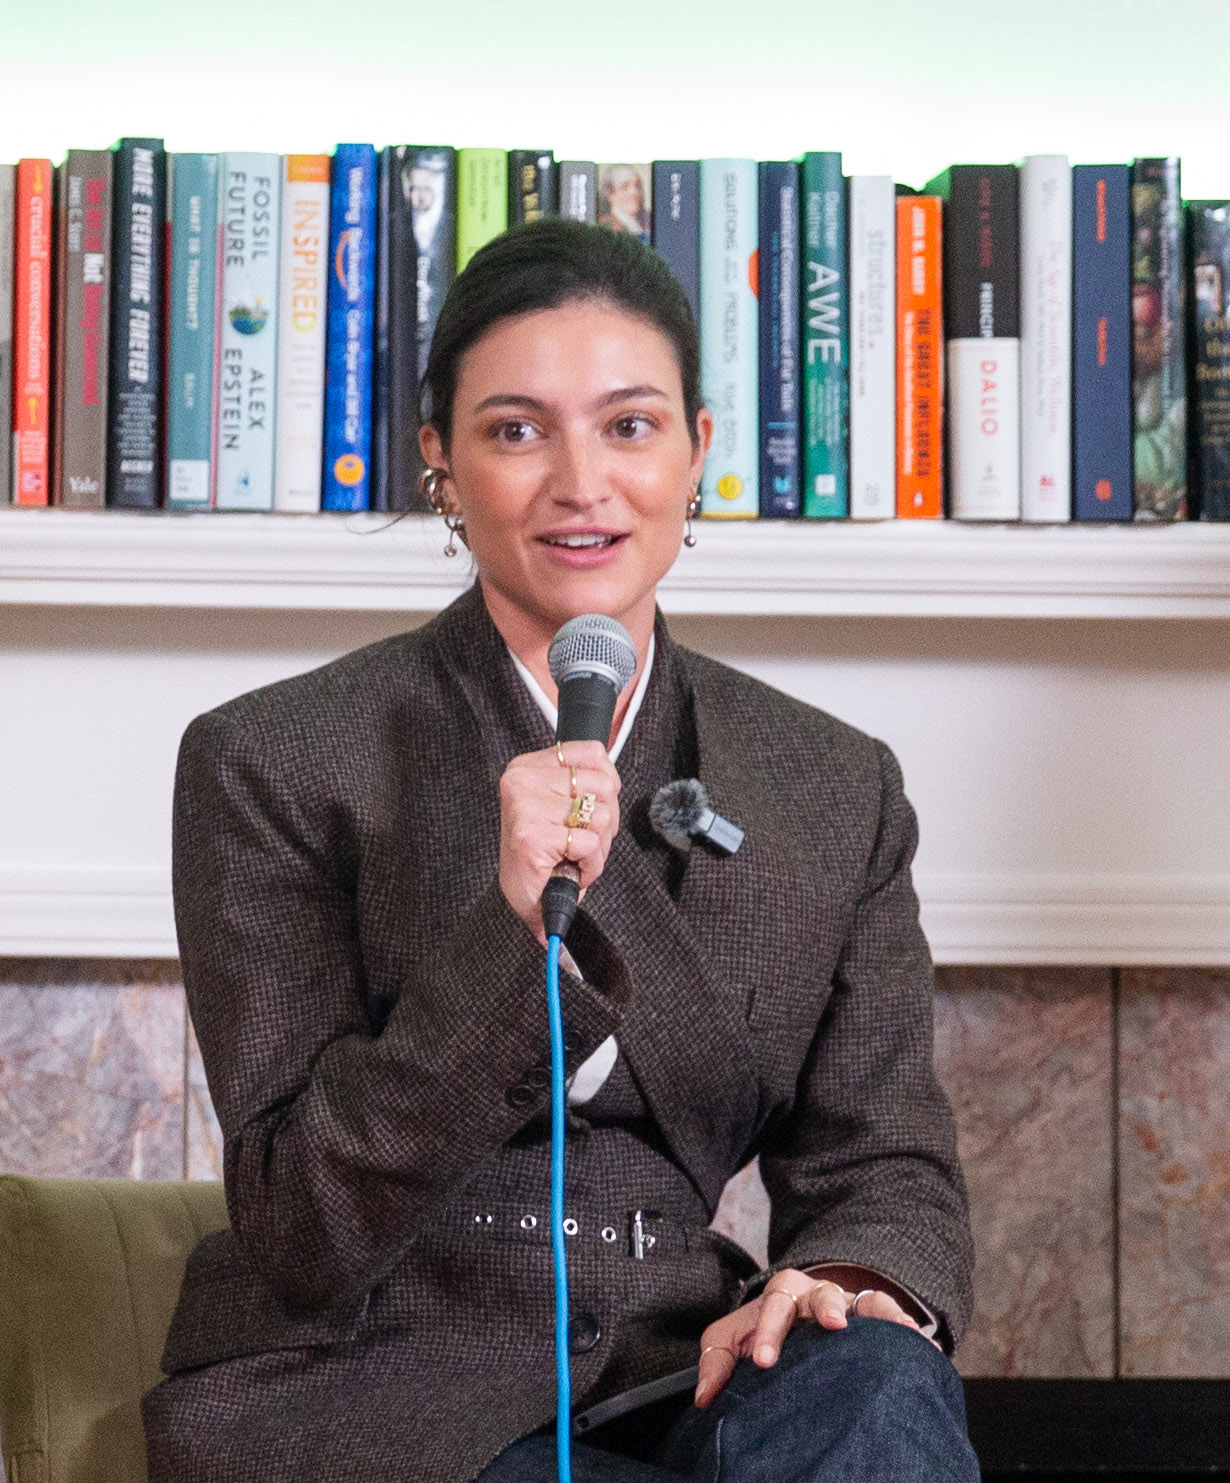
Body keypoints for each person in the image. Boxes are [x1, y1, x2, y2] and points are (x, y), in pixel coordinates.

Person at [145, 217, 977, 1483]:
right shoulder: (273, 760)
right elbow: (295, 1222)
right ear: (442, 462)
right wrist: (503, 936)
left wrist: (847, 1282)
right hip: (370, 1384)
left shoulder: (830, 784)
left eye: (630, 426)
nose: (582, 483)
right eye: (517, 429)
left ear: (700, 449)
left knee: (877, 1381)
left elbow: (885, 1161)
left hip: (674, 1367)